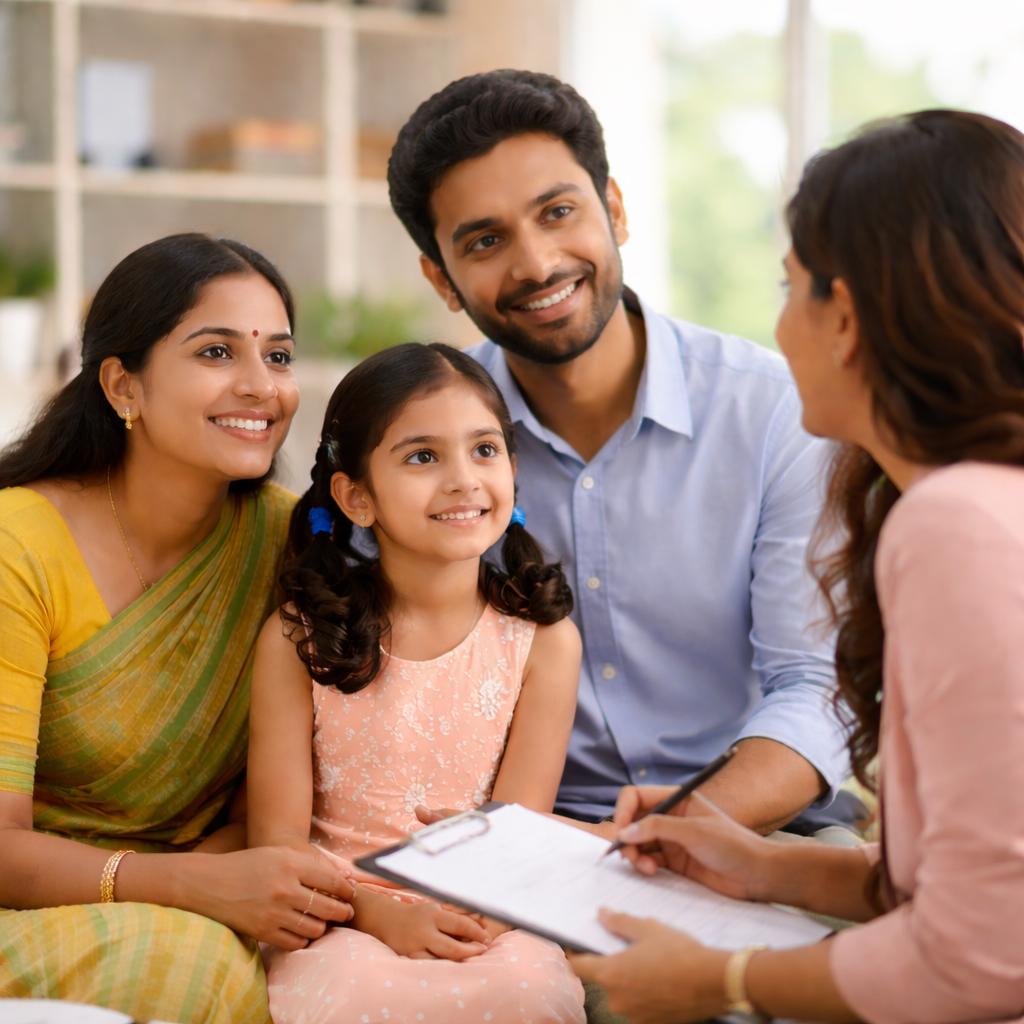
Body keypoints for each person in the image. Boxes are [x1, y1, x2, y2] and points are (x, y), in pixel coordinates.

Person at [569, 108, 1024, 1023]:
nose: (777, 328)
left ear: (845, 317)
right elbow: (978, 883)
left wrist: (716, 983)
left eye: (790, 288)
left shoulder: (958, 527)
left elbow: (986, 956)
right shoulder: (972, 501)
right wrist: (767, 862)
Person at [387, 69, 855, 838]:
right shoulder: (417, 447)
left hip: (759, 825)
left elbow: (814, 687)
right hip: (523, 839)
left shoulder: (770, 411)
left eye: (559, 212)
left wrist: (665, 836)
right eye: (485, 240)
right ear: (441, 279)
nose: (536, 264)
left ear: (615, 210)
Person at [0, 233, 355, 1023]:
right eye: (217, 352)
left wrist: (222, 879)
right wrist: (184, 888)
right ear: (124, 386)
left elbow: (277, 803)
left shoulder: (290, 544)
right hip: (28, 911)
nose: (262, 386)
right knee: (188, 968)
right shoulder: (17, 546)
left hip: (204, 897)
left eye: (280, 356)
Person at [248, 342, 587, 1024]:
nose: (463, 479)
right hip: (336, 919)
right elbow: (277, 842)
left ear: (513, 471)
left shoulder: (544, 643)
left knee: (528, 989)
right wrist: (379, 914)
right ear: (356, 495)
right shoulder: (300, 635)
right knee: (357, 994)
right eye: (423, 456)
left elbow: (519, 834)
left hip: (483, 913)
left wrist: (470, 916)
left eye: (484, 450)